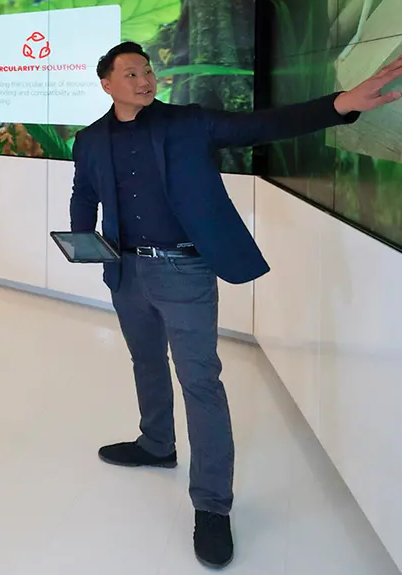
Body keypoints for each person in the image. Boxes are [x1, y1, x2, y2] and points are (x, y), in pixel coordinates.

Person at [69, 41, 402, 569]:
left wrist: (342, 103)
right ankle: (156, 443)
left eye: (148, 71)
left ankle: (212, 506)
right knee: (146, 362)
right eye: (131, 73)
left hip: (185, 269)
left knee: (200, 380)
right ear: (106, 83)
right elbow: (84, 191)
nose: (144, 79)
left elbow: (263, 125)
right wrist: (83, 239)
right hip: (126, 272)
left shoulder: (189, 123)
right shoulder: (89, 140)